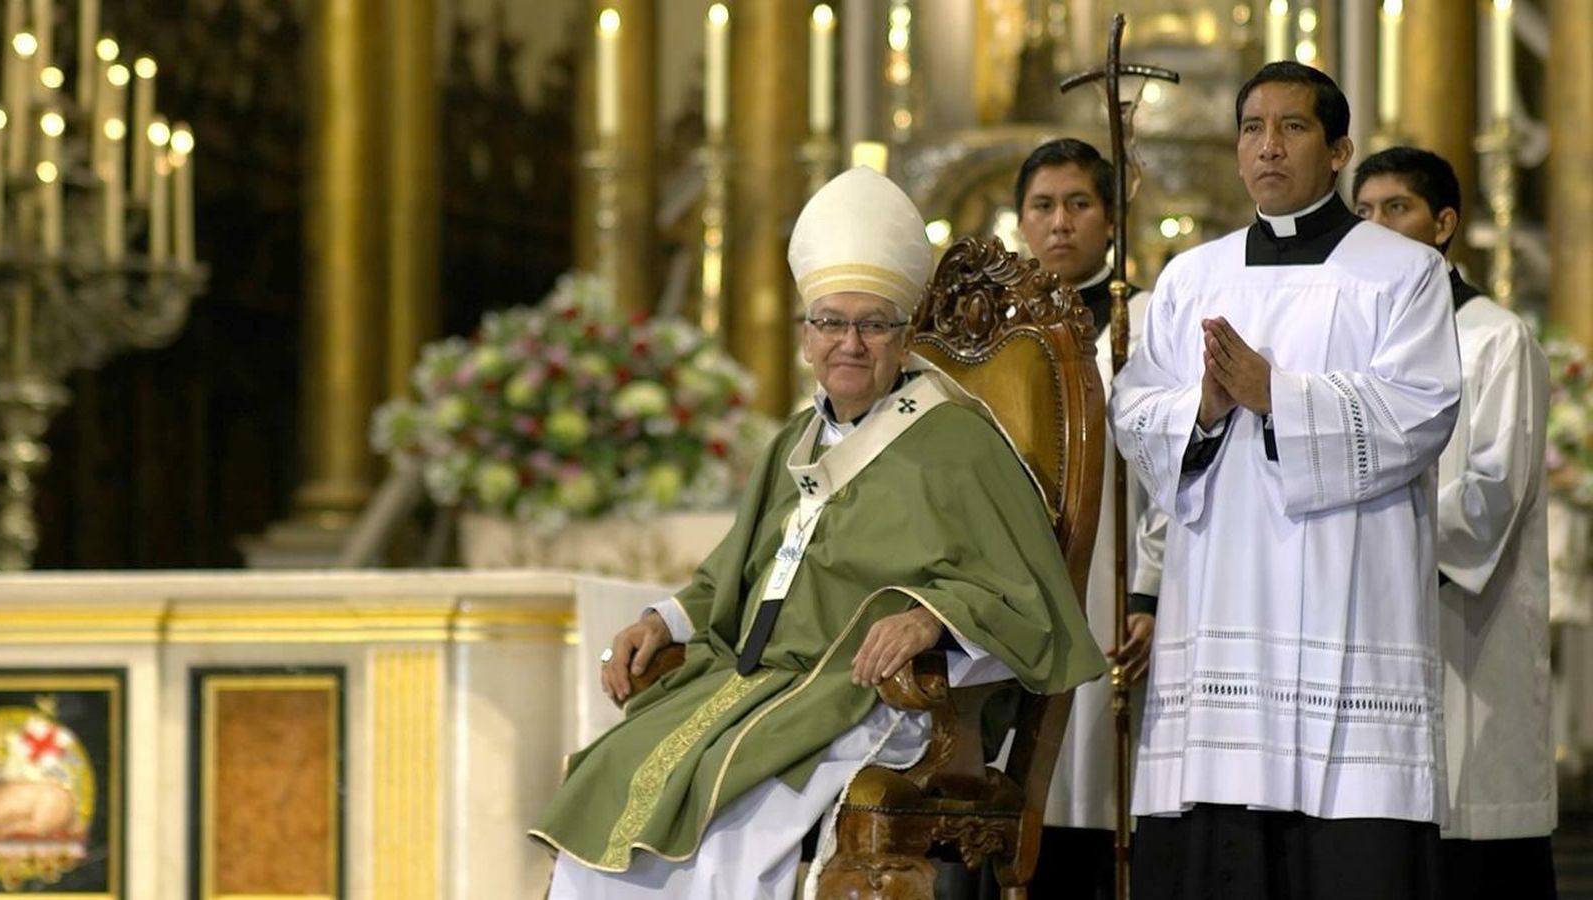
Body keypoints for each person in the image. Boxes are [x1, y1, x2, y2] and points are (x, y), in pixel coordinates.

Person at [530, 165, 1106, 899]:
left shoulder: (958, 444)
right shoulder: (796, 440)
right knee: (615, 774)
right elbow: (734, 576)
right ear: (806, 337)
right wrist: (662, 618)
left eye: (872, 324)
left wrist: (934, 618)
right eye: (831, 322)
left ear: (905, 338)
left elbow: (1025, 591)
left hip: (860, 698)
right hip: (759, 687)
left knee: (725, 829)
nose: (851, 344)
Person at [1110, 61, 1463, 898]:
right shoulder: (1192, 278)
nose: (1268, 146)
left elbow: (1423, 411)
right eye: (1252, 128)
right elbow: (1134, 412)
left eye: (1293, 127)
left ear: (1339, 150)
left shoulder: (1401, 273)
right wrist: (1197, 408)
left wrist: (1281, 398)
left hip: (1353, 601)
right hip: (1220, 593)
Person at [1353, 146, 1556, 900]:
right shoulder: (1359, 341)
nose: (1375, 226)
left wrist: (1372, 538)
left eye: (1395, 209)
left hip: (1465, 632)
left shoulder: (1495, 338)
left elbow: (1490, 493)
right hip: (1372, 634)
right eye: (1363, 211)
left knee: (1471, 843)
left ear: (1444, 224)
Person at [1013, 137, 1165, 900]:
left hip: (1109, 588)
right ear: (1020, 222)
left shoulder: (1143, 321)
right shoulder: (995, 330)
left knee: (1106, 801)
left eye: (1078, 204)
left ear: (1111, 218)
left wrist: (1149, 591)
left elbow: (1173, 470)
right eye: (1042, 206)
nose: (1060, 223)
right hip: (1013, 601)